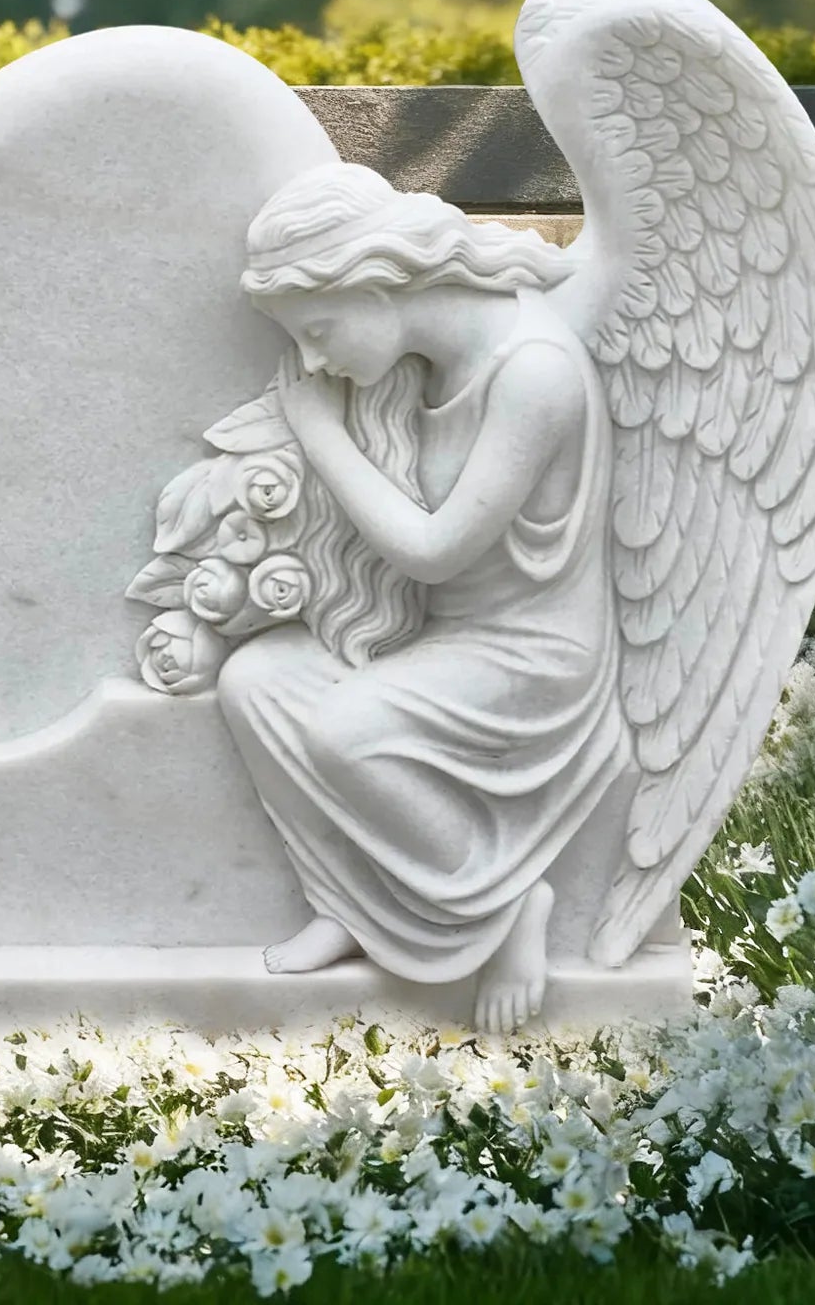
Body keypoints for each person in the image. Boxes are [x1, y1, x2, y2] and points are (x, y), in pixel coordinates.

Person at [217, 161, 627, 1034]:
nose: (314, 359)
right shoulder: (431, 365)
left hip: (533, 658)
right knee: (257, 680)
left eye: (320, 330)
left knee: (345, 729)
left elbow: (435, 554)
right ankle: (352, 905)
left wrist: (320, 434)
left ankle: (510, 903)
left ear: (376, 282)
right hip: (444, 646)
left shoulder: (533, 369)